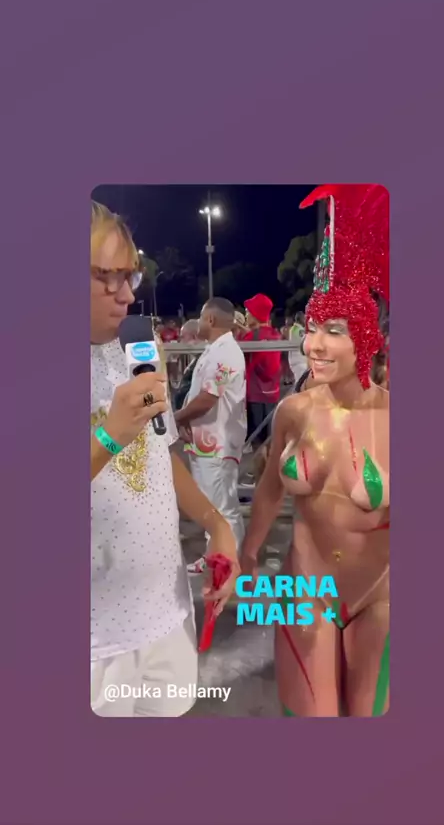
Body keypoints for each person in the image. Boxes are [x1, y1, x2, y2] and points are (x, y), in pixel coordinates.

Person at [240, 184, 390, 717]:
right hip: (304, 588)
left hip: (381, 596)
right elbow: (269, 490)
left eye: (333, 331)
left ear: (367, 340)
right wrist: (247, 554)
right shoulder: (293, 411)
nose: (314, 345)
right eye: (310, 329)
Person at [90, 203, 238, 718]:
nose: (127, 294)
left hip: (167, 613)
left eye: (129, 275)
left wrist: (216, 522)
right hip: (96, 640)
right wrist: (109, 436)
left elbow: (159, 453)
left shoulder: (137, 345)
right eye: (106, 277)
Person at [174, 298, 247, 573]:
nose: (199, 323)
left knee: (223, 508)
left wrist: (177, 418)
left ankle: (227, 565)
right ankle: (213, 557)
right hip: (206, 443)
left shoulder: (225, 353)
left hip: (218, 444)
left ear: (211, 320)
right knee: (211, 505)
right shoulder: (215, 349)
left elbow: (207, 399)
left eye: (202, 318)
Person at [243, 293, 282, 447]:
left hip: (254, 395)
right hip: (273, 393)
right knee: (270, 439)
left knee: (256, 441)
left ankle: (260, 463)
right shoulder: (275, 335)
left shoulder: (251, 337)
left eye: (248, 312)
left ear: (255, 314)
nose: (246, 315)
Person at [173, 319, 202, 411]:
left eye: (183, 337)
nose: (181, 342)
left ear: (194, 337)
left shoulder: (203, 361)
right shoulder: (198, 359)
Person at [288, 311, 307, 383]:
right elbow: (304, 342)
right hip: (299, 361)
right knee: (300, 383)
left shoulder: (294, 328)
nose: (305, 320)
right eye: (304, 318)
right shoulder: (299, 330)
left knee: (300, 382)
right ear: (300, 319)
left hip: (298, 360)